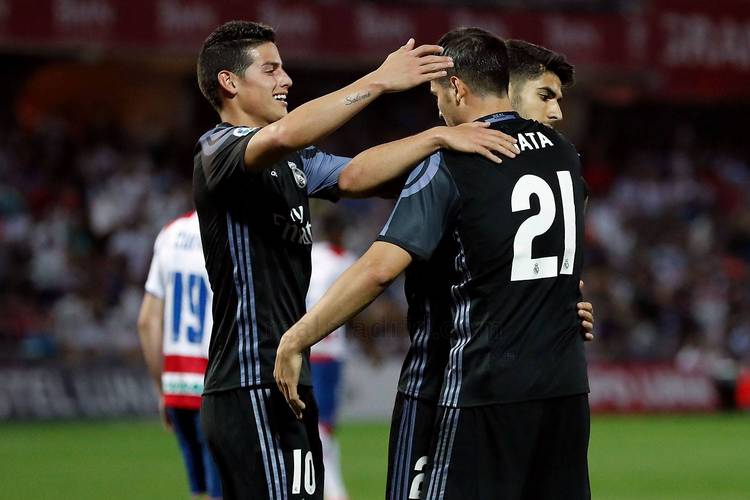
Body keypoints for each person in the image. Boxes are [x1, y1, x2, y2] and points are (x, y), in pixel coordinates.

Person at [193, 20, 518, 500]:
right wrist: (379, 80)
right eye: (271, 69)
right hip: (249, 378)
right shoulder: (217, 149)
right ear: (229, 82)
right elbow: (282, 135)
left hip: (284, 375)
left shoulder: (294, 161)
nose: (286, 79)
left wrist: (437, 139)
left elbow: (356, 174)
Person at [275, 28, 591, 500]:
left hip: (470, 385)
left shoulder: (451, 159)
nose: (438, 106)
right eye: (547, 95)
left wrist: (298, 336)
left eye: (438, 93)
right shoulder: (566, 155)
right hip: (565, 391)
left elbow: (379, 268)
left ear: (457, 88)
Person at [137, 210, 222, 500]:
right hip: (217, 383)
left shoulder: (170, 233)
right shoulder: (232, 229)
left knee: (199, 491)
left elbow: (147, 321)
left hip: (176, 386)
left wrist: (162, 390)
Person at [307, 213, 357, 500]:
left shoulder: (312, 255)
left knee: (324, 422)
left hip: (313, 348)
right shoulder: (345, 260)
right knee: (323, 422)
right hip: (326, 351)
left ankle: (326, 481)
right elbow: (356, 306)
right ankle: (332, 488)